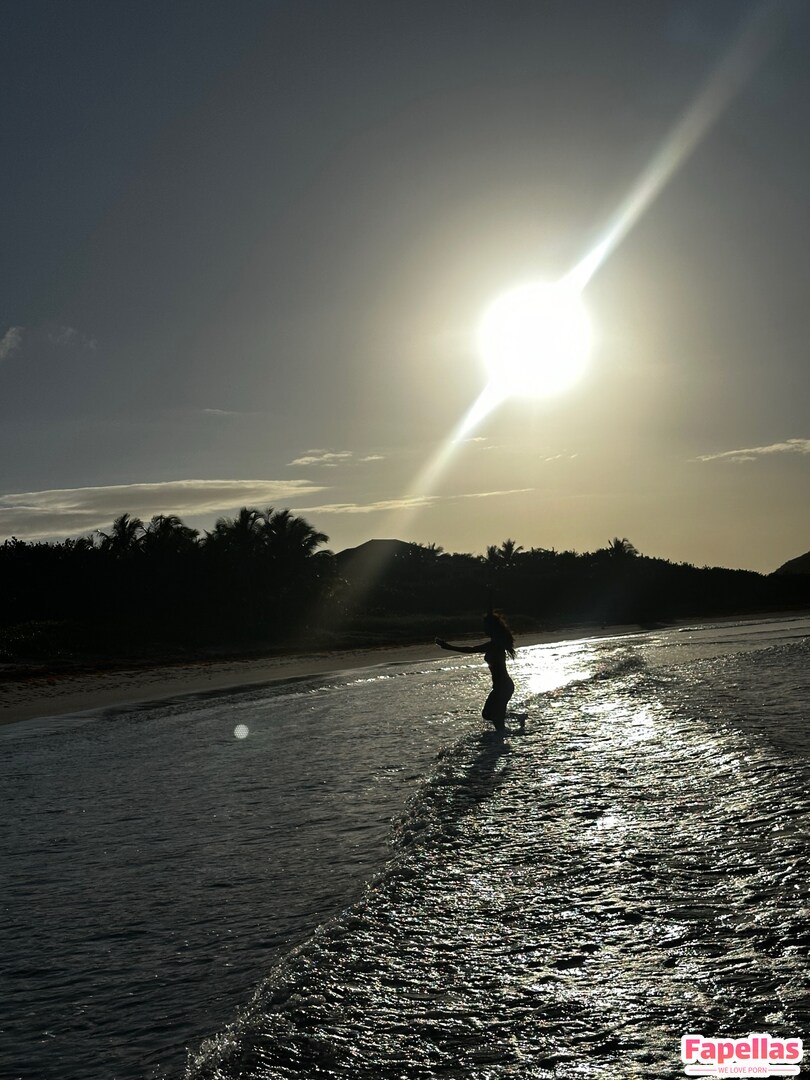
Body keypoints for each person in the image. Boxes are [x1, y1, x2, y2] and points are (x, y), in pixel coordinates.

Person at [435, 611, 516, 732]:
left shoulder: (494, 645)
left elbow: (471, 649)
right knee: (489, 715)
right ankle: (516, 720)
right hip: (501, 686)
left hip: (503, 687)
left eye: (485, 626)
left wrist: (449, 647)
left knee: (495, 718)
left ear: (491, 628)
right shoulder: (495, 643)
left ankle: (501, 740)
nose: (484, 628)